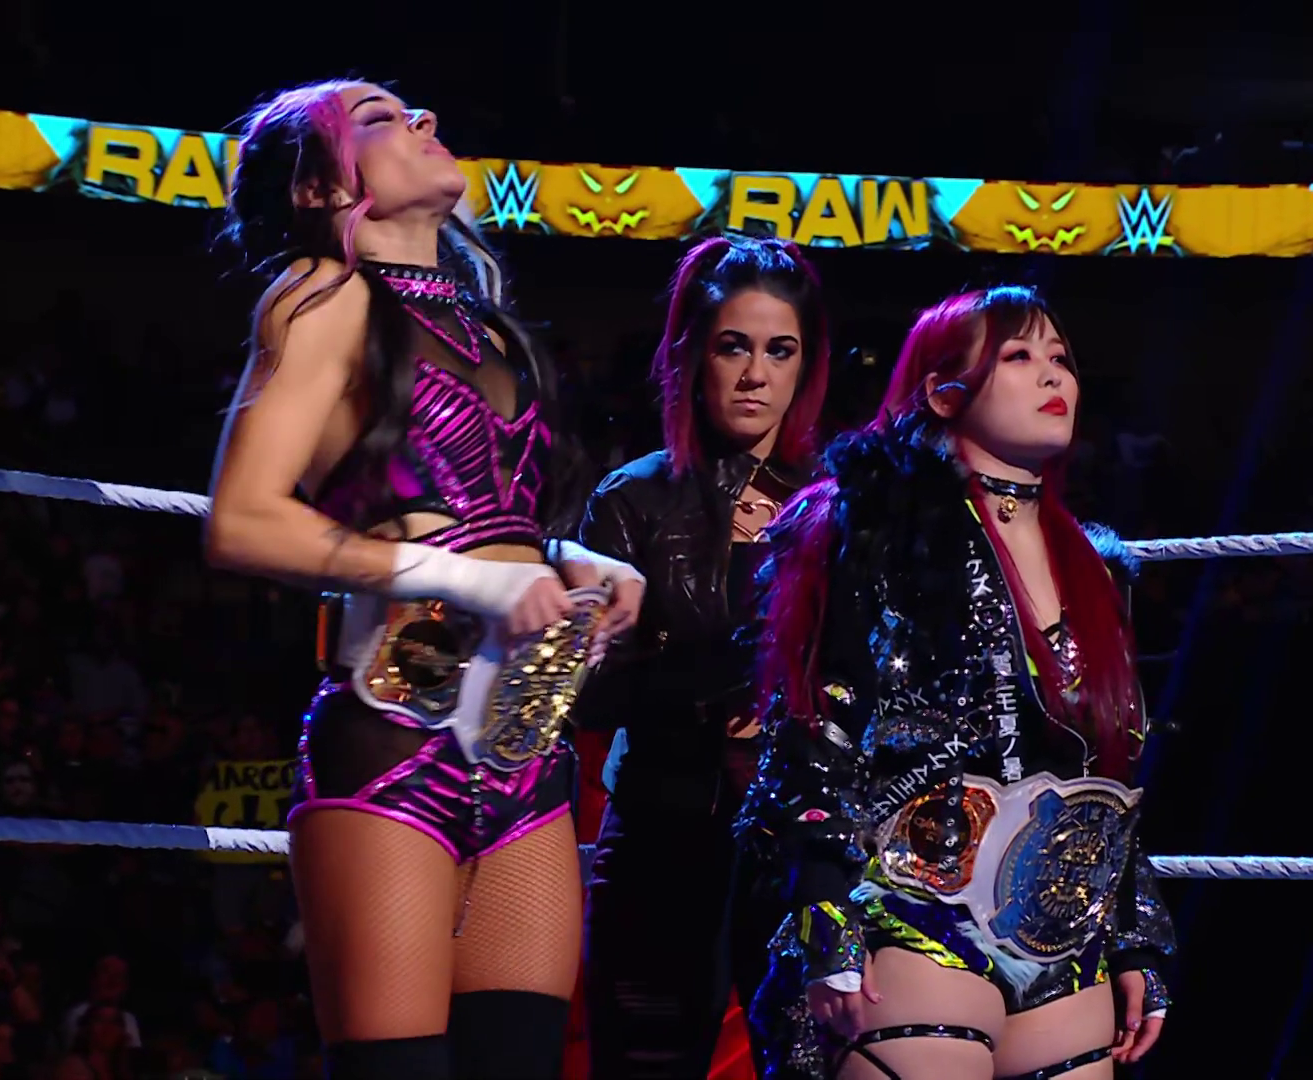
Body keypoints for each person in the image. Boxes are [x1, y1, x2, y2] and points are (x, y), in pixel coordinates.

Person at [205, 78, 645, 1080]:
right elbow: (243, 520)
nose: (425, 121)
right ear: (319, 187)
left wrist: (572, 560)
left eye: (416, 111)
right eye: (379, 119)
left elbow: (480, 517)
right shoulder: (323, 297)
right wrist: (475, 584)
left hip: (526, 734)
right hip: (400, 726)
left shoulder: (492, 328)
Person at [735, 286, 1174, 1080]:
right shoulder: (873, 525)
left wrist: (1135, 934)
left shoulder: (1095, 569)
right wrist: (822, 904)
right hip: (912, 917)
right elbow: (814, 717)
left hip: (1062, 942)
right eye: (1019, 356)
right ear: (943, 391)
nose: (1054, 376)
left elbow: (1105, 770)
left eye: (1061, 359)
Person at [576, 235, 831, 1078]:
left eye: (780, 350)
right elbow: (588, 695)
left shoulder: (842, 504)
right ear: (693, 356)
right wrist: (722, 688)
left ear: (805, 365)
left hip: (803, 846)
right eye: (734, 347)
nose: (756, 374)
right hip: (664, 830)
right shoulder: (633, 499)